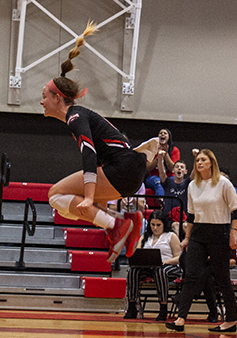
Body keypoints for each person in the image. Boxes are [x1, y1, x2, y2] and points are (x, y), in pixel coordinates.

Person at [41, 21, 157, 262]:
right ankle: (126, 221)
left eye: (44, 97)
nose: (41, 102)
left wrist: (90, 197)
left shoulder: (75, 116)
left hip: (124, 169)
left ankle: (116, 225)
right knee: (71, 207)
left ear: (57, 98)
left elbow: (89, 153)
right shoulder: (79, 116)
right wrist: (94, 203)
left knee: (55, 195)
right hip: (128, 170)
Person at [166, 149, 237, 333]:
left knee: (222, 279)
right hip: (198, 235)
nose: (199, 162)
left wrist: (233, 233)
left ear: (211, 163)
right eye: (198, 160)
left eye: (203, 160)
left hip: (219, 233)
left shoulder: (223, 183)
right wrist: (186, 238)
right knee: (190, 276)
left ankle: (231, 320)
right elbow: (191, 216)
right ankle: (181, 319)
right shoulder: (192, 185)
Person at [123, 210, 182, 321]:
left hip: (168, 266)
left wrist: (166, 261)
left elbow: (179, 258)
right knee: (133, 271)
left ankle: (163, 307)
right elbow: (138, 253)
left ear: (164, 224)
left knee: (161, 271)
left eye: (158, 225)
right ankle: (132, 306)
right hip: (148, 266)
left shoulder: (171, 236)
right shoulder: (145, 236)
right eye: (153, 225)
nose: (155, 228)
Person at [144, 128, 180, 198]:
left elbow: (172, 168)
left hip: (169, 176)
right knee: (158, 183)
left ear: (169, 137)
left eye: (165, 133)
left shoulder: (174, 150)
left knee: (172, 183)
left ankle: (173, 205)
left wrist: (166, 154)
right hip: (153, 177)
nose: (162, 134)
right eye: (160, 133)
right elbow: (148, 168)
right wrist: (158, 157)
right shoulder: (152, 149)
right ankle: (162, 203)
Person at [160, 160, 191, 235]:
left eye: (182, 167)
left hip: (184, 218)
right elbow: (161, 173)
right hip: (169, 218)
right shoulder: (168, 182)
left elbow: (194, 174)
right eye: (177, 167)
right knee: (176, 226)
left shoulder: (187, 183)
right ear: (173, 170)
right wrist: (160, 158)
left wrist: (196, 156)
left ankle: (189, 246)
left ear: (185, 171)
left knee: (186, 226)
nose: (179, 169)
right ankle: (177, 246)